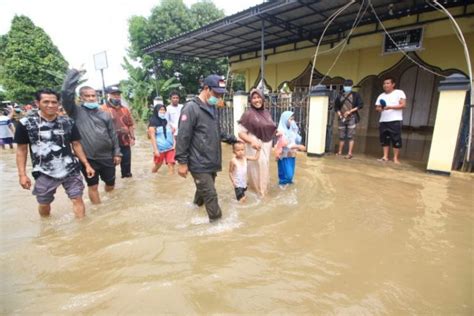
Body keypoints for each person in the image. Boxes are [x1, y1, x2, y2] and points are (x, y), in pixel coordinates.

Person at [14, 89, 95, 218]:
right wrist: (22, 175)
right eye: (46, 102)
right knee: (44, 203)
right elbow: (21, 150)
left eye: (54, 102)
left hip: (70, 169)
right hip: (44, 171)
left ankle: (82, 229)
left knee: (77, 198)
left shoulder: (68, 122)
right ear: (37, 103)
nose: (50, 105)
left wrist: (86, 164)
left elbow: (76, 145)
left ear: (58, 103)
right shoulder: (26, 124)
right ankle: (46, 226)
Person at [175, 74, 237, 222]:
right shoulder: (191, 108)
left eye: (221, 95)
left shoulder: (212, 108)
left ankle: (194, 209)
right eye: (216, 94)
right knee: (211, 195)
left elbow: (215, 131)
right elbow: (183, 136)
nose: (218, 98)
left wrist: (232, 139)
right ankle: (217, 225)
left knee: (203, 192)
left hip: (211, 160)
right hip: (198, 162)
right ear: (206, 89)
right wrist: (182, 163)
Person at [62, 69, 122, 204]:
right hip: (88, 158)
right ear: (81, 98)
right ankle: (98, 209)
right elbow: (66, 94)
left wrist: (117, 153)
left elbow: (113, 134)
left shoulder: (104, 114)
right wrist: (74, 74)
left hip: (107, 156)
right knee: (93, 186)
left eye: (93, 96)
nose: (90, 98)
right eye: (87, 96)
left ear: (96, 97)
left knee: (111, 184)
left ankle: (111, 202)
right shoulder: (75, 112)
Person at [238, 88, 277, 197]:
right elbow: (241, 133)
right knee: (258, 166)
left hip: (267, 144)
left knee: (265, 166)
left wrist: (277, 132)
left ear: (263, 98)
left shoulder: (266, 113)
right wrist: (252, 141)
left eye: (259, 97)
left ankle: (260, 189)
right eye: (254, 98)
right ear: (250, 100)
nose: (257, 100)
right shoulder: (248, 115)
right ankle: (260, 193)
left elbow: (269, 127)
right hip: (254, 144)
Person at [101, 86, 135, 178]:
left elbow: (130, 124)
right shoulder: (103, 109)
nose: (116, 96)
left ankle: (127, 188)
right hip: (110, 145)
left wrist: (132, 137)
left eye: (118, 95)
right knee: (110, 172)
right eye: (114, 94)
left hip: (125, 142)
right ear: (108, 95)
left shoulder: (125, 109)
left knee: (127, 171)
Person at [375, 77, 407, 164]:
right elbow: (377, 107)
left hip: (395, 120)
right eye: (384, 83)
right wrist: (380, 109)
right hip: (383, 120)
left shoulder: (399, 93)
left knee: (396, 139)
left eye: (388, 83)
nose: (385, 85)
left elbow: (403, 105)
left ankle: (395, 158)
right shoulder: (381, 96)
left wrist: (390, 107)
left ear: (393, 84)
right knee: (384, 139)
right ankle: (385, 156)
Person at [275, 111, 306, 187]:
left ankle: (288, 188)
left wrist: (295, 129)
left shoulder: (291, 129)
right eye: (290, 119)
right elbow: (286, 144)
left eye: (293, 119)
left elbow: (297, 139)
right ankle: (281, 187)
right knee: (286, 174)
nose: (292, 121)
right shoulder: (281, 131)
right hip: (284, 156)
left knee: (290, 175)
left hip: (292, 155)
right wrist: (298, 147)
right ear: (285, 119)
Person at [334, 79, 363, 159]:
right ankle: (339, 151)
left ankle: (350, 153)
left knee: (351, 136)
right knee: (341, 135)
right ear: (343, 86)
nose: (347, 87)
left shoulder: (355, 95)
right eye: (346, 86)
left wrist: (350, 111)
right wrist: (339, 113)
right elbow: (336, 107)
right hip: (341, 118)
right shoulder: (340, 95)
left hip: (351, 118)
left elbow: (360, 105)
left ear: (352, 86)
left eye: (349, 86)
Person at [148, 104, 176, 174]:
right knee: (158, 165)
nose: (163, 111)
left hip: (170, 148)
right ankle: (152, 174)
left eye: (164, 110)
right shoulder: (152, 123)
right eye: (161, 110)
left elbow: (171, 134)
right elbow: (152, 138)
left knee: (171, 165)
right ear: (156, 111)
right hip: (160, 149)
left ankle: (171, 184)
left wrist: (174, 144)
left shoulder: (165, 121)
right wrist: (156, 150)